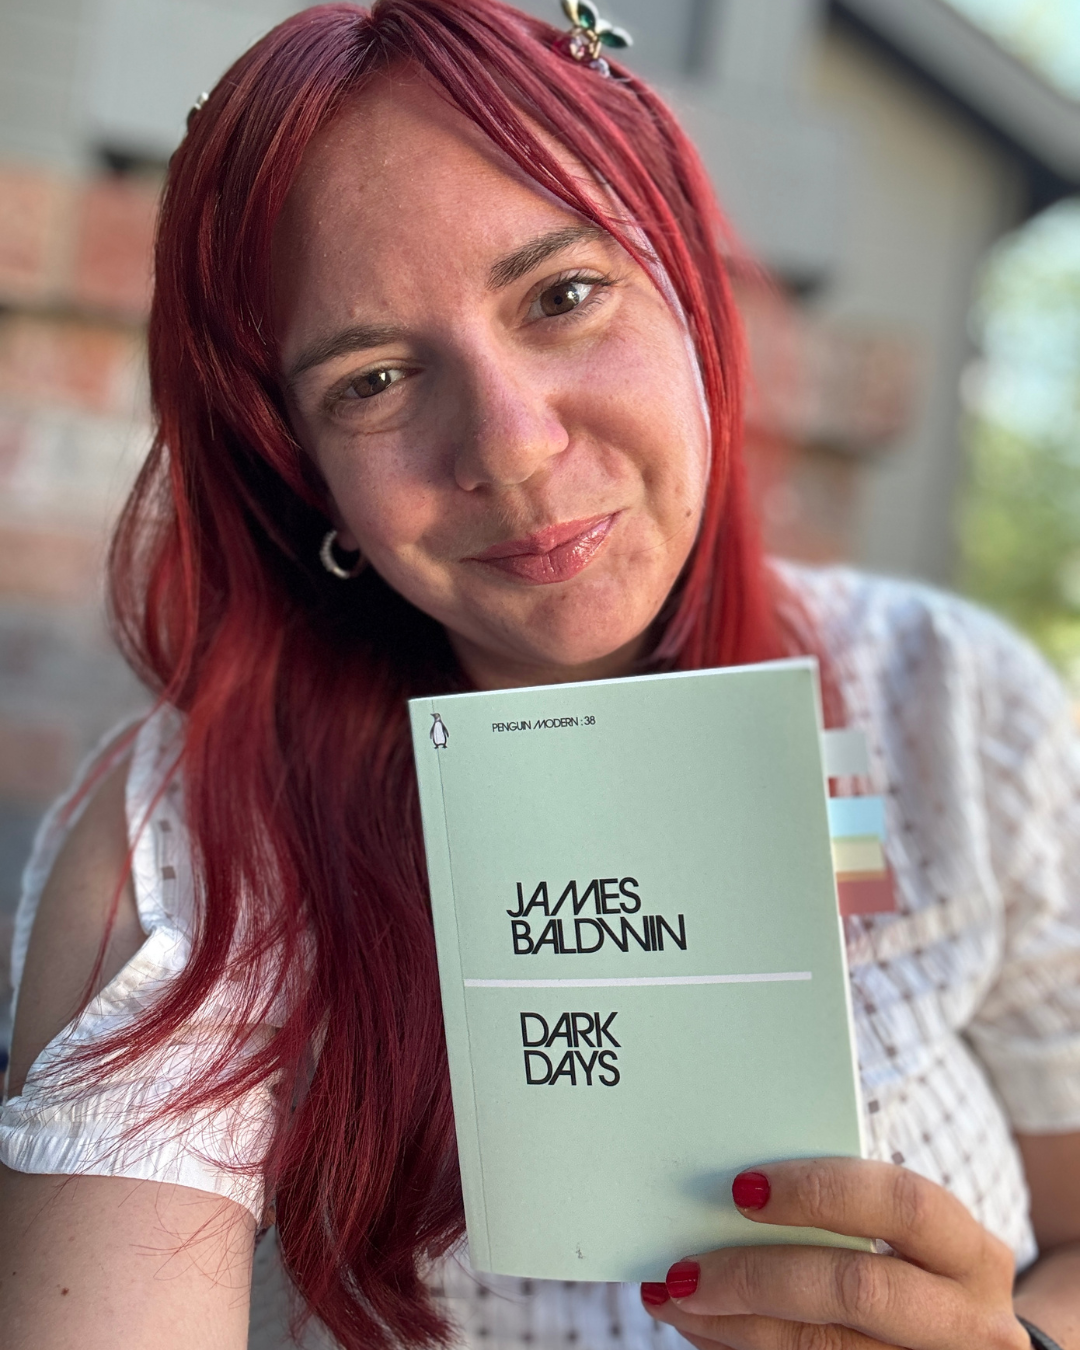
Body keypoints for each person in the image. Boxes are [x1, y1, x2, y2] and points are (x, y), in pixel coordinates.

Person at [0, 2, 1078, 1347]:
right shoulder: (206, 837)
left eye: (563, 296)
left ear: (685, 286)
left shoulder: (956, 708)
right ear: (305, 470)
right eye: (376, 378)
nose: (509, 444)